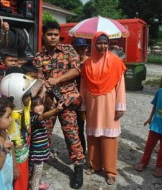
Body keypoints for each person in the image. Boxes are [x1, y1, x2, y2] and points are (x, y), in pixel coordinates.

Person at [33, 21, 85, 189]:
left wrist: (57, 79)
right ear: (44, 35)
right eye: (50, 34)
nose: (53, 37)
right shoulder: (39, 56)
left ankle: (78, 167)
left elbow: (76, 70)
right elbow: (38, 77)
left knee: (71, 134)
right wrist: (44, 83)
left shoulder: (68, 50)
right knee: (44, 133)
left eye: (56, 34)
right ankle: (40, 162)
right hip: (49, 102)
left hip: (67, 101)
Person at [80, 32, 126, 185]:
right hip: (92, 103)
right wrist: (83, 105)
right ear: (93, 43)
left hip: (110, 102)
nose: (102, 46)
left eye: (105, 43)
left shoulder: (115, 61)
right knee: (93, 135)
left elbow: (120, 86)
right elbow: (84, 86)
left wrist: (120, 106)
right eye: (99, 43)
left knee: (109, 138)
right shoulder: (87, 63)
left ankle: (110, 171)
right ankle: (94, 165)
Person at [0, 73, 42, 190]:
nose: (30, 98)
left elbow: (31, 93)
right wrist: (14, 166)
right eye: (27, 95)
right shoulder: (12, 117)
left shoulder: (23, 106)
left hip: (24, 151)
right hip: (17, 158)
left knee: (23, 180)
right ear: (17, 97)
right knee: (19, 182)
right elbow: (12, 143)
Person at [29, 96, 63, 190]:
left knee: (37, 172)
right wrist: (56, 110)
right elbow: (43, 116)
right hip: (37, 152)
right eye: (36, 105)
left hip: (42, 150)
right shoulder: (33, 118)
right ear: (31, 108)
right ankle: (35, 187)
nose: (40, 107)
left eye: (41, 104)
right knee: (36, 173)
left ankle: (37, 183)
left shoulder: (36, 116)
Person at [72, 37, 89, 154]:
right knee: (79, 127)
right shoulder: (72, 64)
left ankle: (94, 153)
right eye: (77, 49)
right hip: (77, 100)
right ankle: (81, 151)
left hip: (90, 99)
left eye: (82, 48)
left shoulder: (91, 62)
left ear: (86, 49)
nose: (80, 51)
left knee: (93, 128)